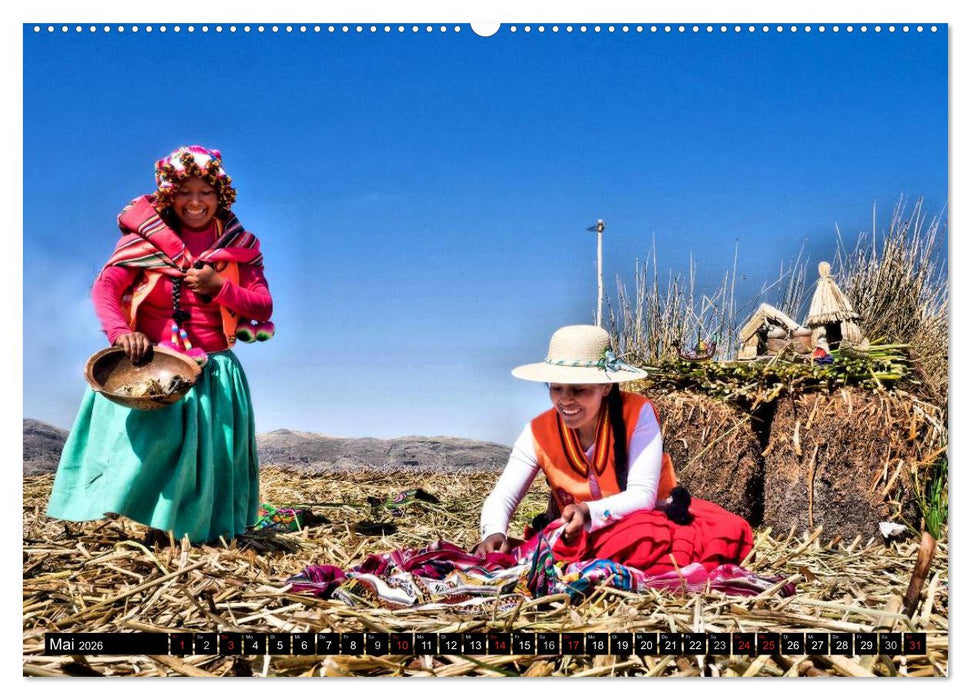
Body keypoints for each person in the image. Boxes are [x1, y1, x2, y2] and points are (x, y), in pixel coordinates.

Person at [46, 145, 272, 544]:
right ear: (169, 195)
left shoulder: (242, 245)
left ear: (220, 195)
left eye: (205, 191)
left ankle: (189, 533)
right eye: (185, 192)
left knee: (207, 462)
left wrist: (219, 287)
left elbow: (263, 303)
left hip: (213, 370)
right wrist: (121, 334)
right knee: (150, 451)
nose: (196, 202)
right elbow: (105, 289)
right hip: (149, 367)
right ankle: (146, 522)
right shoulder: (143, 243)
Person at [473, 325, 753, 575]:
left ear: (605, 387)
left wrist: (587, 512)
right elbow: (504, 495)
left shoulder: (637, 413)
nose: (565, 400)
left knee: (644, 538)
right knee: (551, 545)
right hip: (577, 532)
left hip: (642, 521)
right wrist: (494, 531)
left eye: (579, 390)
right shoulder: (537, 431)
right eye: (556, 388)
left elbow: (642, 494)